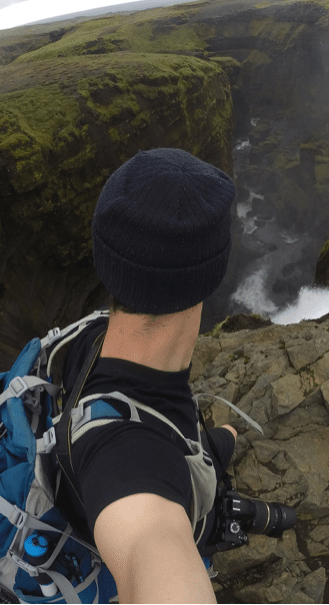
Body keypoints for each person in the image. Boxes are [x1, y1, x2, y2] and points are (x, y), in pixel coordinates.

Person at [56, 147, 239, 604]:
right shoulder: (129, 462)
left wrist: (217, 444)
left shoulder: (92, 336)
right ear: (208, 274)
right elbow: (149, 543)